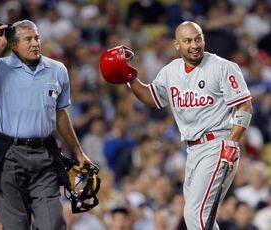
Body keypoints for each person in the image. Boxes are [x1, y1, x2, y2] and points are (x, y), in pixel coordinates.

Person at [100, 21, 253, 229]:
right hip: (192, 150)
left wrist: (232, 142)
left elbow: (244, 106)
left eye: (198, 39)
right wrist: (130, 78)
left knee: (194, 214)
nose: (194, 45)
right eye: (188, 40)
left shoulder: (222, 67)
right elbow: (153, 98)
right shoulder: (171, 71)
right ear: (177, 45)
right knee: (200, 217)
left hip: (217, 145)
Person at [0, 19, 92, 230]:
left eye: (37, 37)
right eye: (28, 39)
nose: (35, 43)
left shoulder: (57, 69)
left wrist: (77, 150)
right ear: (14, 44)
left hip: (44, 154)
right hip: (9, 154)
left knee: (52, 223)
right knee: (16, 225)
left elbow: (60, 113)